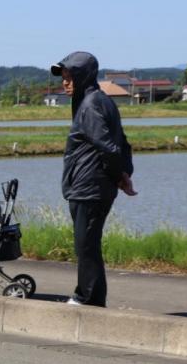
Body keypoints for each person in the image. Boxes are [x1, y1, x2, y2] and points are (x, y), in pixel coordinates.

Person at [53, 51, 136, 307]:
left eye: (69, 77)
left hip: (89, 186)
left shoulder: (89, 105)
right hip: (93, 184)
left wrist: (119, 175)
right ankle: (93, 299)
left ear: (84, 77)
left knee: (86, 245)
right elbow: (121, 143)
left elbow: (110, 147)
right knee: (88, 244)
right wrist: (123, 174)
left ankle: (86, 297)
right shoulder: (101, 101)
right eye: (63, 78)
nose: (65, 83)